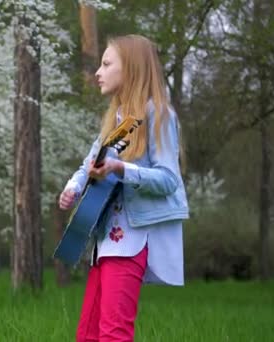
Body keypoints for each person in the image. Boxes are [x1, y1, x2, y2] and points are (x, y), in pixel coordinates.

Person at [58, 35, 189, 342]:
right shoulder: (116, 121)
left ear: (129, 69)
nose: (98, 73)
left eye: (106, 64)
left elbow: (169, 180)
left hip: (132, 240)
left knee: (114, 333)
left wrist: (121, 168)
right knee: (88, 335)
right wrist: (73, 187)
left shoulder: (159, 115)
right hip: (104, 241)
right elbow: (88, 164)